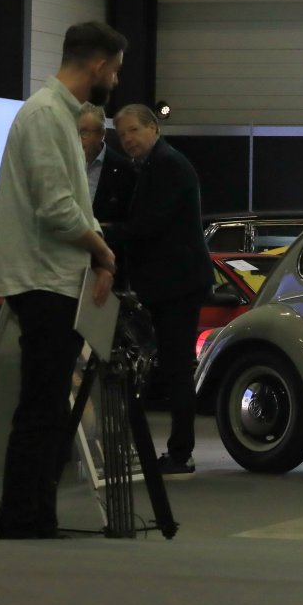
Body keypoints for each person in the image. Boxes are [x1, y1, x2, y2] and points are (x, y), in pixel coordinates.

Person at [0, 20, 125, 539]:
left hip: (56, 277)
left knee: (46, 405)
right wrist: (103, 251)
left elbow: (72, 207)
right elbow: (57, 209)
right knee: (41, 405)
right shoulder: (45, 115)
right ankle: (22, 516)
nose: (115, 80)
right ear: (98, 65)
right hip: (43, 279)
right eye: (115, 70)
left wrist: (98, 258)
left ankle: (34, 513)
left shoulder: (61, 116)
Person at [105, 103, 211, 478]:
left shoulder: (167, 165)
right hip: (171, 282)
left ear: (153, 128)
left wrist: (99, 232)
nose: (128, 140)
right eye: (122, 134)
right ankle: (178, 450)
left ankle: (181, 453)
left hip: (178, 284)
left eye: (134, 130)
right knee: (172, 367)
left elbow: (149, 225)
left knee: (177, 368)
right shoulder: (154, 164)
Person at [79, 103, 135, 224]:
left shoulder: (126, 170)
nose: (77, 139)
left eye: (84, 133)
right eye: (74, 132)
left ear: (102, 134)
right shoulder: (61, 163)